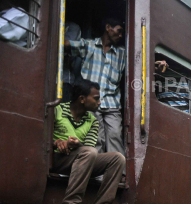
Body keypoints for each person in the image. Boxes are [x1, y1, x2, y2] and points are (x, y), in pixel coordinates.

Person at [65, 18, 168, 155]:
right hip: (91, 103)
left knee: (115, 137)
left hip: (112, 104)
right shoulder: (88, 45)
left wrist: (157, 64)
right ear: (108, 27)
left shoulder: (122, 54)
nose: (120, 36)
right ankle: (97, 172)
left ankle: (118, 172)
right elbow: (67, 45)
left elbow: (142, 63)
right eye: (119, 31)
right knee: (96, 139)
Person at [51, 79, 126, 204]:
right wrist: (58, 142)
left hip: (81, 161)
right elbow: (42, 137)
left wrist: (77, 144)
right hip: (58, 159)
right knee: (88, 152)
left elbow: (90, 149)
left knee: (117, 158)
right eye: (96, 98)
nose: (99, 103)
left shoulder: (92, 120)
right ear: (82, 99)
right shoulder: (58, 109)